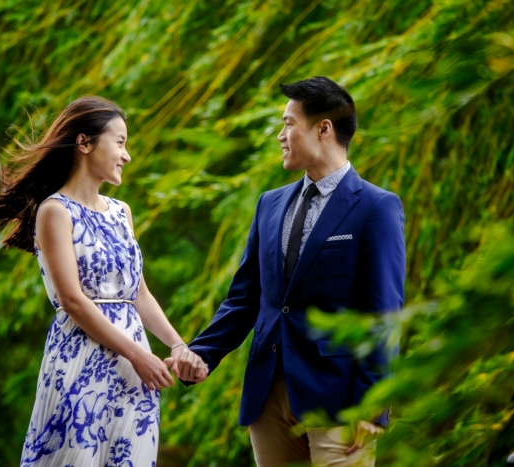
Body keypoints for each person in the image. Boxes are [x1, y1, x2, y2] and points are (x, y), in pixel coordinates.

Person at [172, 76, 406, 466]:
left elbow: (383, 311)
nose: (280, 135)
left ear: (323, 128)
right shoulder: (270, 204)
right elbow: (246, 298)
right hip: (268, 398)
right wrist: (201, 354)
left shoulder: (376, 207)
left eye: (288, 123)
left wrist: (374, 404)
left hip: (340, 401)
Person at [0, 96, 208, 467]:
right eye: (120, 142)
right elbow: (73, 301)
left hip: (134, 372)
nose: (126, 155)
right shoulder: (55, 211)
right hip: (82, 363)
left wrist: (177, 344)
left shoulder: (121, 212)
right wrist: (138, 355)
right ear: (84, 143)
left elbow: (139, 294)